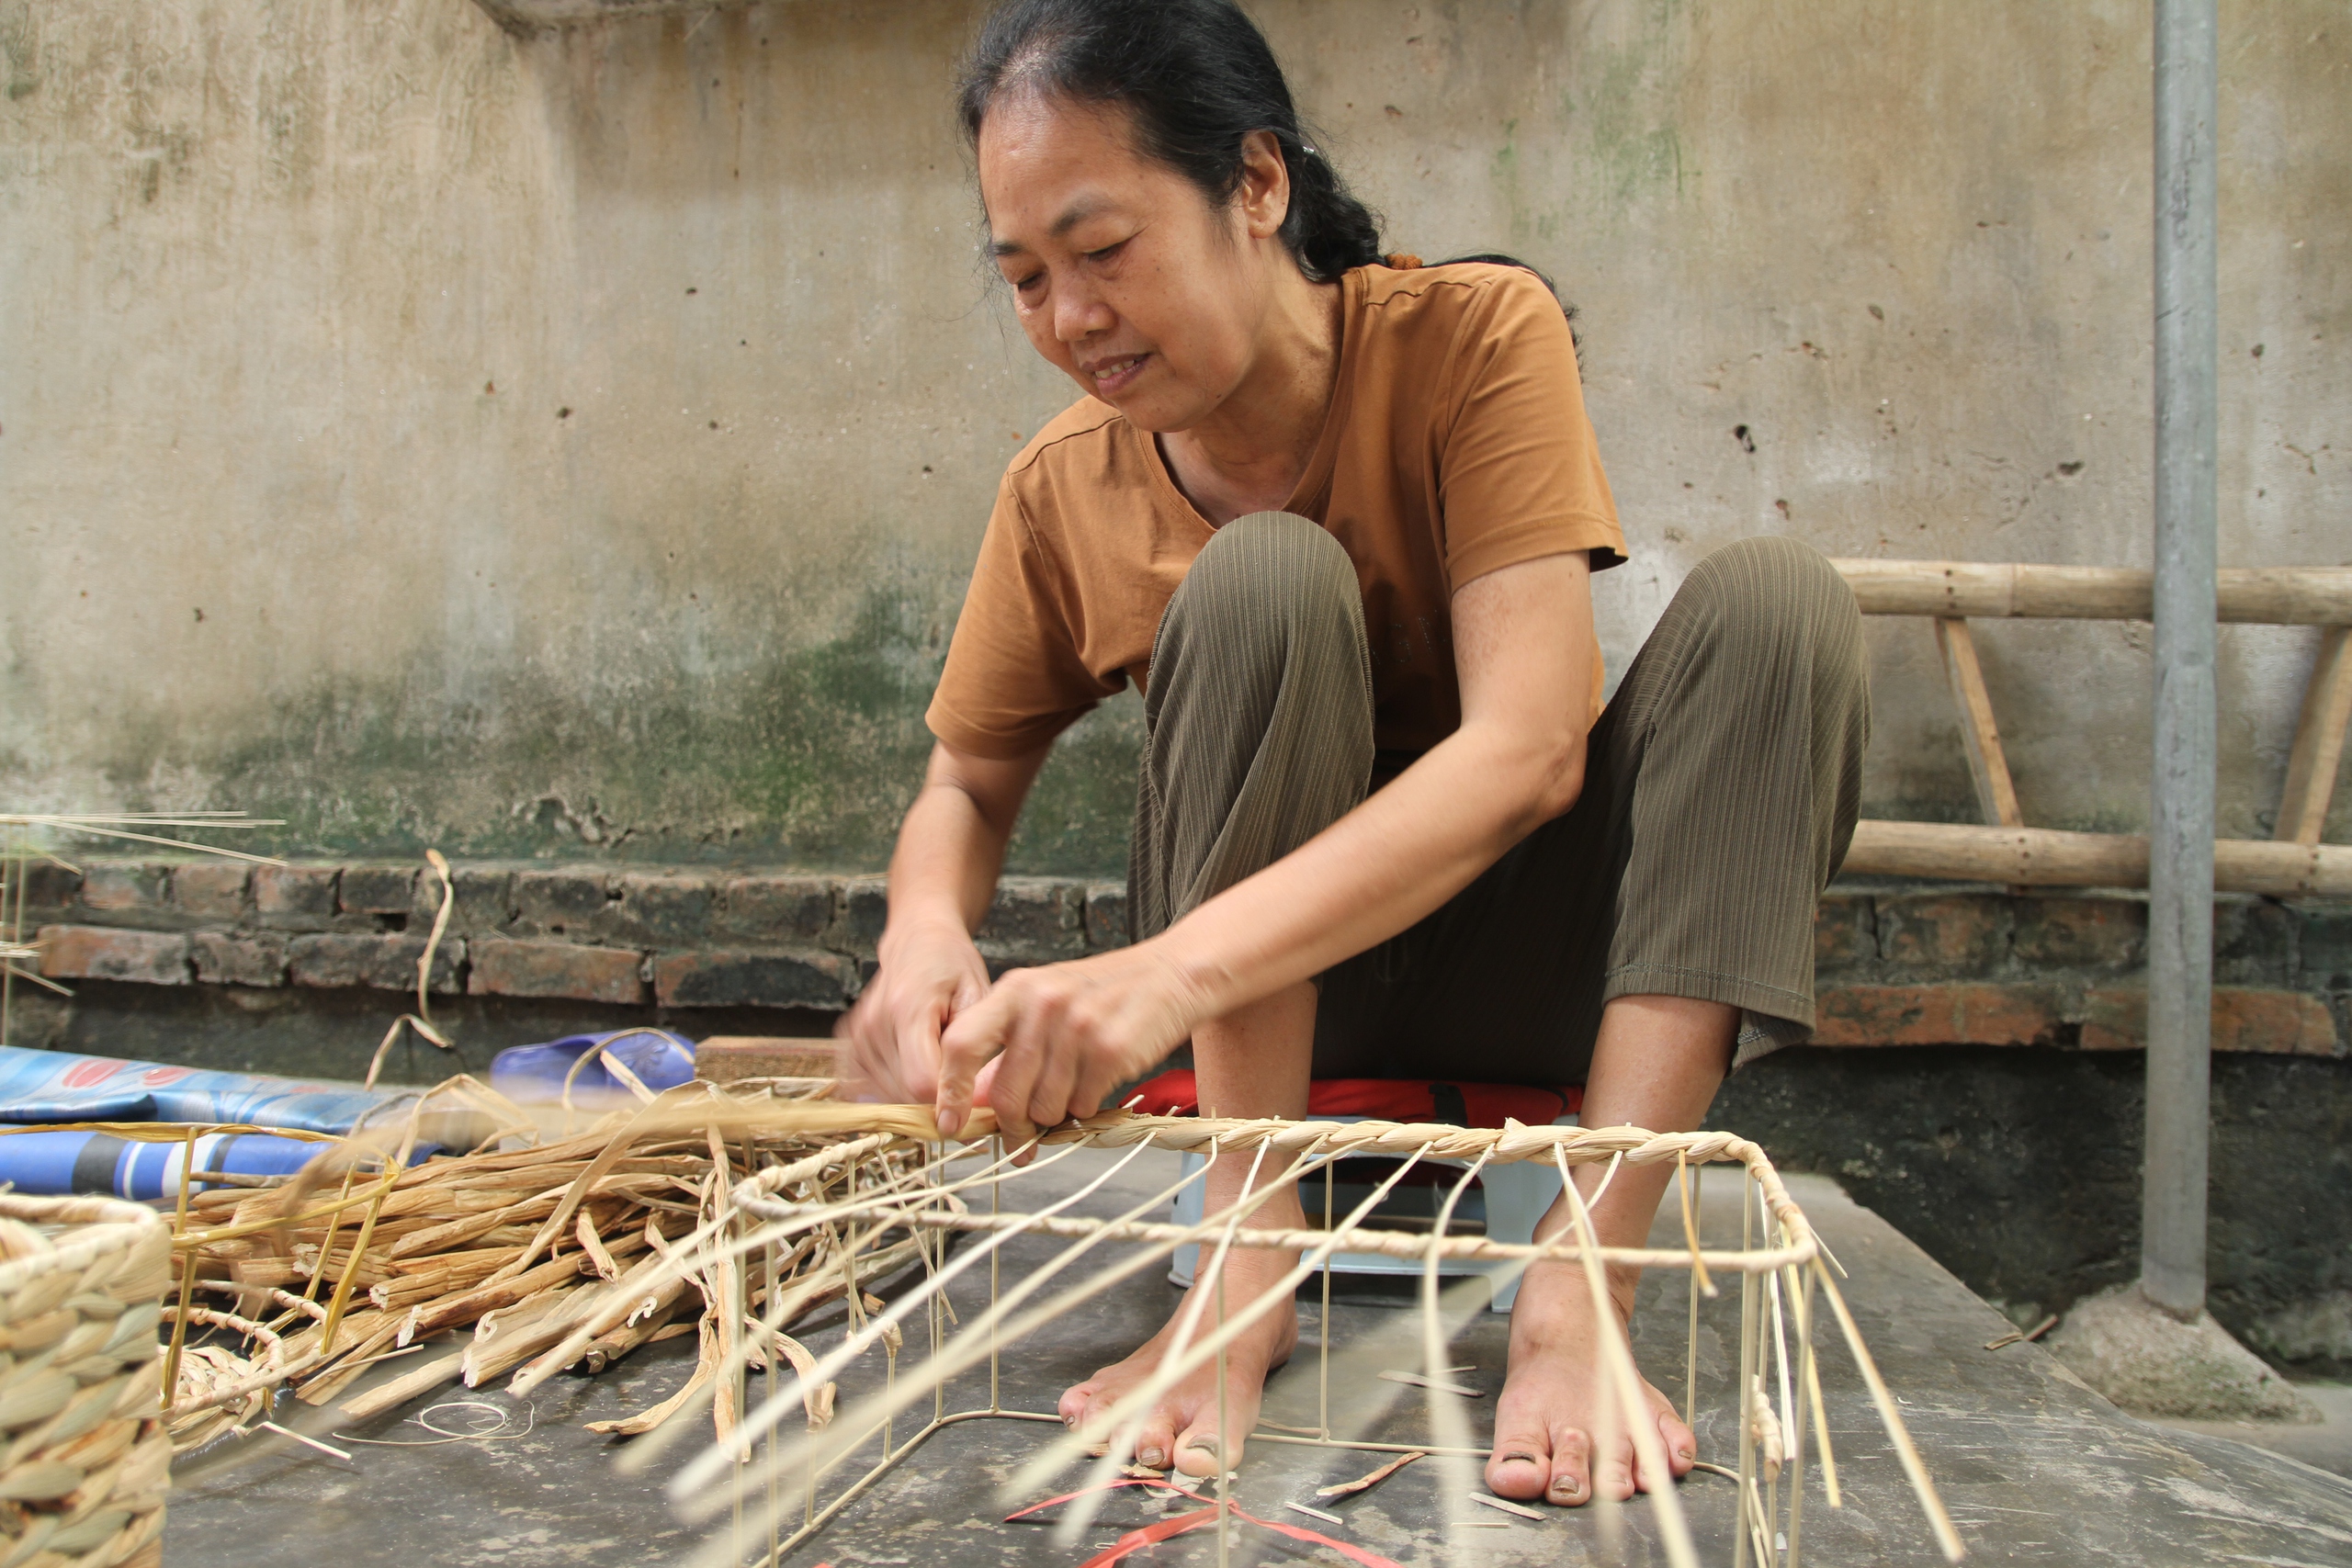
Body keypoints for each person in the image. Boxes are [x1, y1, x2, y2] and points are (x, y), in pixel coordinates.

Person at [840, 0, 1869, 1510]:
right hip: (1275, 1019)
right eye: (1025, 278)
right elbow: (963, 784)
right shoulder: (1062, 490)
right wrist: (924, 930)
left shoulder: (1471, 340)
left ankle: (1582, 1291)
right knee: (1263, 580)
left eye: (1102, 249)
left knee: (1784, 608)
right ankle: (1240, 1274)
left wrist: (1155, 981)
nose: (1069, 316)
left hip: (1524, 973)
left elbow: (1530, 753)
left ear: (1257, 186)